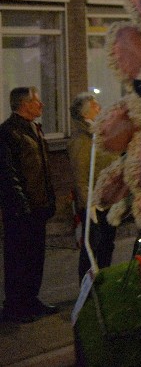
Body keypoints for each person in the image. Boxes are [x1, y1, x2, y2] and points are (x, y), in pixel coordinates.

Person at [0, 87, 57, 323]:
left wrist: (48, 200)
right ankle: (15, 306)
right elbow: (7, 174)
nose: (41, 105)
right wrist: (21, 205)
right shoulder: (8, 132)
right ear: (24, 104)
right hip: (21, 211)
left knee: (35, 258)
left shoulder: (34, 129)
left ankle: (31, 299)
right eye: (36, 101)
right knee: (18, 259)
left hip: (38, 207)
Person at [68, 92, 119, 280]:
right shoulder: (82, 141)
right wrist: (89, 204)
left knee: (107, 244)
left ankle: (104, 278)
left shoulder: (100, 133)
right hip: (95, 204)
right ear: (85, 114)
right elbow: (80, 176)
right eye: (95, 106)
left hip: (108, 199)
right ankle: (87, 287)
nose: (100, 108)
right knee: (92, 246)